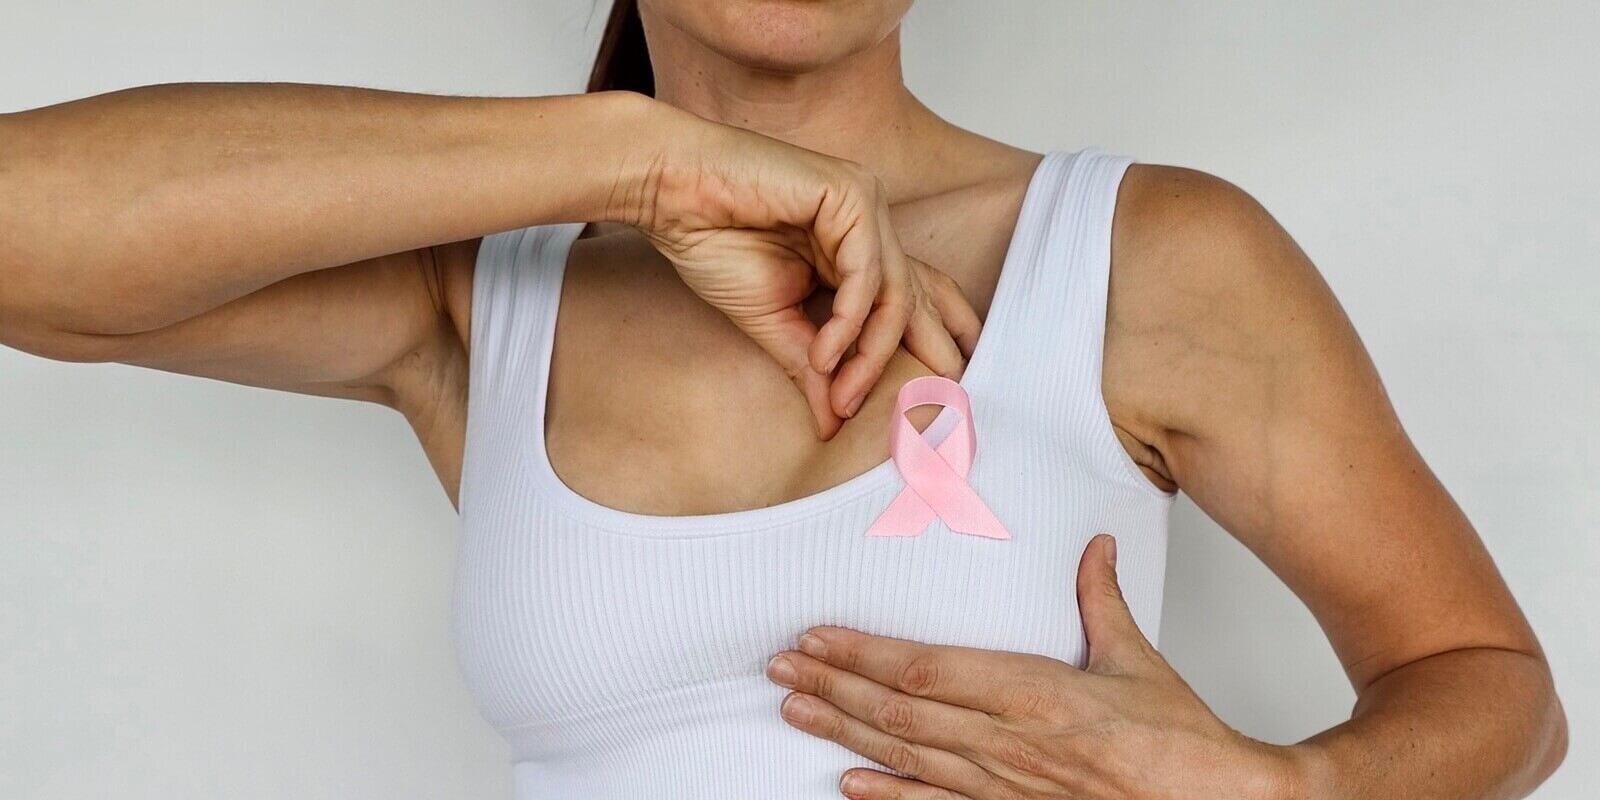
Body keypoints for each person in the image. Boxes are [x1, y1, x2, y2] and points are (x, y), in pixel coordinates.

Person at [0, 1, 1567, 798]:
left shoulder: (1142, 256)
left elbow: (1491, 683)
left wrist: (1280, 796)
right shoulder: (484, 296)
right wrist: (637, 159)